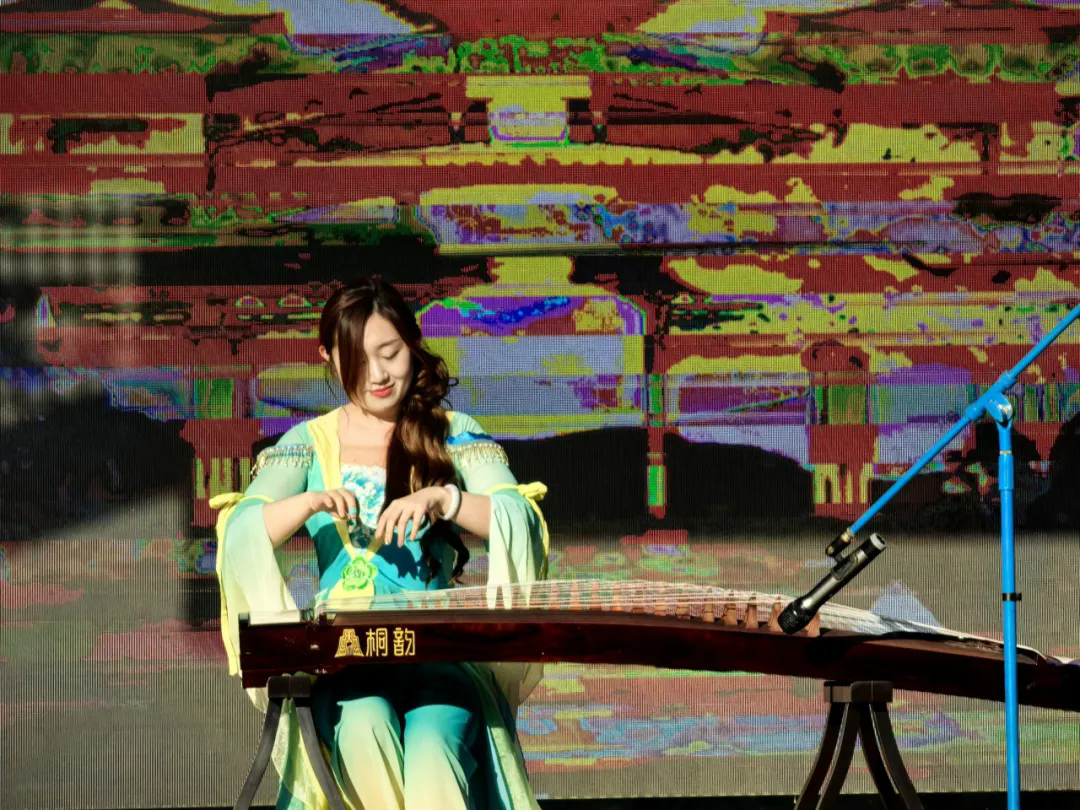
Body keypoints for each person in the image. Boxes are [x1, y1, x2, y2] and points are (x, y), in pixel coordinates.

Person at [210, 277, 550, 810]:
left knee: (435, 746)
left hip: (437, 653)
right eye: (357, 360)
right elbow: (240, 530)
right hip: (347, 658)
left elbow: (519, 516)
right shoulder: (308, 444)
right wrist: (307, 503)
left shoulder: (453, 431)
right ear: (328, 358)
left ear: (413, 344)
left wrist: (445, 499)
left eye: (390, 354)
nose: (378, 375)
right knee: (362, 728)